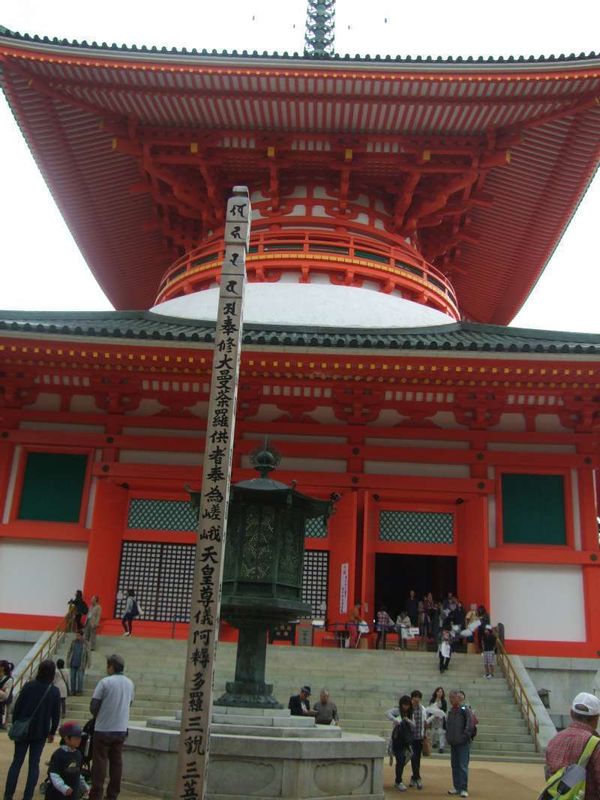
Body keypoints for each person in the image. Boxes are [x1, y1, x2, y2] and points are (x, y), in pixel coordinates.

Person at [4, 659, 61, 800]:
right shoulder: (54, 691)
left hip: (23, 729)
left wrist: (17, 722)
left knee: (17, 762)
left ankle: (8, 795)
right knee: (34, 764)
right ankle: (27, 796)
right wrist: (52, 732)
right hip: (41, 731)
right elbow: (56, 714)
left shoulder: (29, 686)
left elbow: (17, 707)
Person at [89, 653, 135, 800]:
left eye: (107, 666)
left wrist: (99, 715)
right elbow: (130, 704)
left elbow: (94, 706)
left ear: (111, 667)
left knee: (100, 763)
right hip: (121, 728)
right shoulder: (130, 683)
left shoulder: (105, 682)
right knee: (116, 763)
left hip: (103, 728)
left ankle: (96, 794)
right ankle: (112, 795)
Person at [545, 692, 600, 800]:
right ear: (596, 718)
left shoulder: (554, 740)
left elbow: (549, 777)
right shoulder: (596, 744)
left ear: (571, 713)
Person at [45, 720, 90, 800]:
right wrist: (64, 788)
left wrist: (85, 786)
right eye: (76, 738)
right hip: (57, 795)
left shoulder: (78, 754)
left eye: (80, 737)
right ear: (66, 739)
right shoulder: (59, 754)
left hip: (72, 795)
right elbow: (53, 774)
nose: (79, 740)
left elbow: (78, 774)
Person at [446, 689, 475, 797]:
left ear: (459, 698)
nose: (451, 700)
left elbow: (470, 724)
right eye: (450, 698)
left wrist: (464, 737)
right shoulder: (451, 711)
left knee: (462, 765)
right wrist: (448, 737)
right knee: (454, 765)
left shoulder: (464, 709)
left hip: (463, 742)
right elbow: (448, 725)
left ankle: (463, 788)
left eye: (453, 697)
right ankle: (456, 786)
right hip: (453, 742)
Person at [386, 695, 415, 792]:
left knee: (403, 759)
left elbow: (414, 725)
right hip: (397, 739)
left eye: (407, 705)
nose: (405, 707)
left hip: (406, 740)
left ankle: (398, 780)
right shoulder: (397, 711)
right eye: (404, 705)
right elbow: (387, 713)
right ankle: (398, 781)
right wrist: (395, 720)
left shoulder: (410, 713)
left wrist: (408, 720)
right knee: (400, 759)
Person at [408, 690, 426, 790]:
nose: (416, 699)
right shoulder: (409, 708)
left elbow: (425, 722)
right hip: (410, 737)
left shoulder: (422, 709)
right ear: (412, 698)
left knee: (417, 758)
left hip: (419, 737)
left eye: (418, 697)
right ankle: (417, 777)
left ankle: (414, 777)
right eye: (415, 697)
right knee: (413, 757)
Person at [67, 629, 91, 696]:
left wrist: (89, 662)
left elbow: (88, 654)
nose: (77, 637)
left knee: (80, 678)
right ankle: (72, 691)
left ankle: (80, 691)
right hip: (73, 662)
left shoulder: (86, 643)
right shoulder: (73, 642)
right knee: (72, 678)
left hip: (81, 663)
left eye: (78, 635)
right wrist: (68, 660)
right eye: (76, 635)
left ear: (82, 636)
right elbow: (69, 651)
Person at [426, 686, 447, 754]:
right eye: (438, 691)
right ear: (436, 692)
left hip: (440, 719)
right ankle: (434, 743)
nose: (439, 693)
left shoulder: (443, 701)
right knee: (433, 732)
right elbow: (429, 708)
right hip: (433, 718)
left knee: (441, 732)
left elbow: (444, 710)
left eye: (441, 692)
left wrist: (439, 713)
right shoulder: (432, 700)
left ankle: (441, 747)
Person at [0, 659, 15, 729]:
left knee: (6, 714)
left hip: (4, 702)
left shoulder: (9, 679)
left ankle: (4, 725)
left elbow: (6, 695)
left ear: (2, 668)